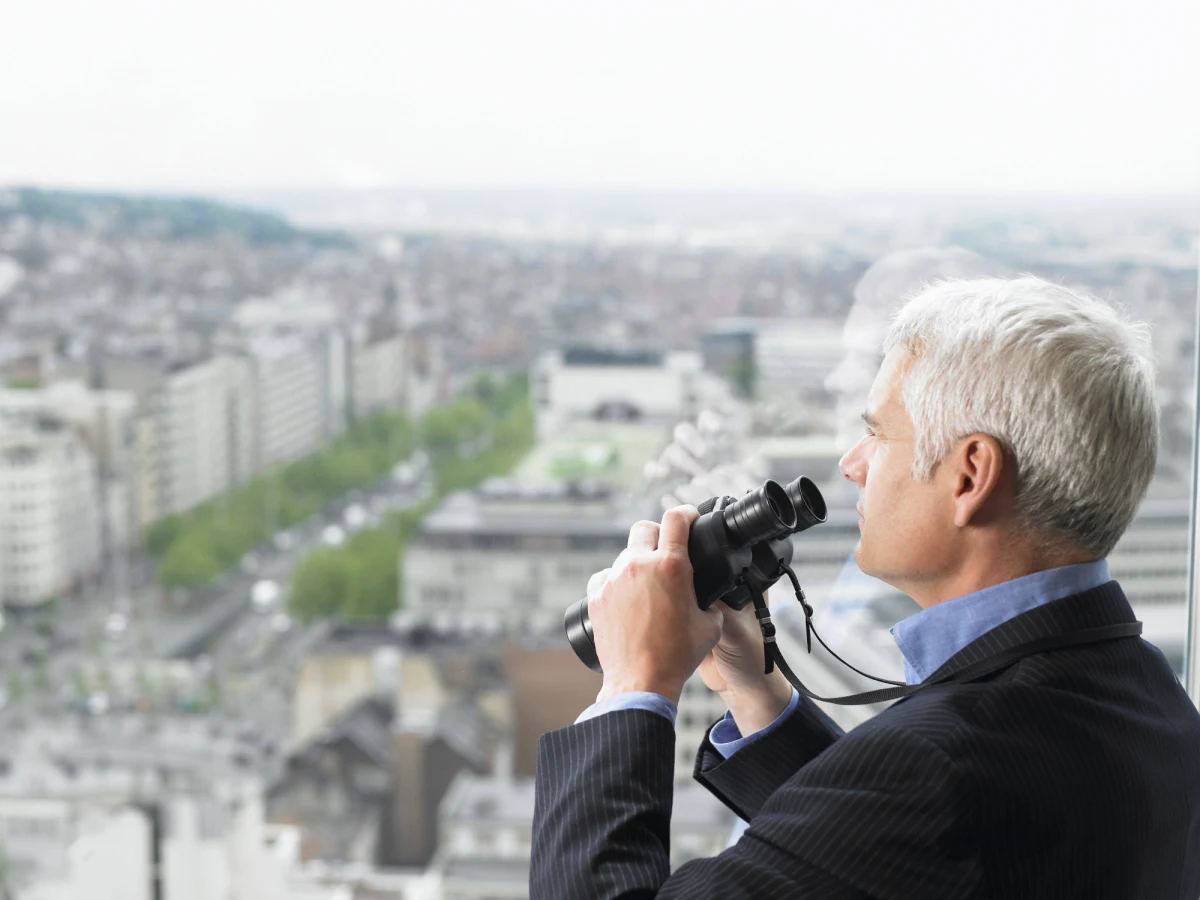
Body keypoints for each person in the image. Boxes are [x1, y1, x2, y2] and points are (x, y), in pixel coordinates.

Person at [530, 276, 1200, 899]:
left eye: (877, 434)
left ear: (970, 475)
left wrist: (633, 684)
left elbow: (923, 798)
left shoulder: (937, 769)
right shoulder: (1150, 700)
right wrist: (754, 690)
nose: (851, 466)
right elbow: (899, 857)